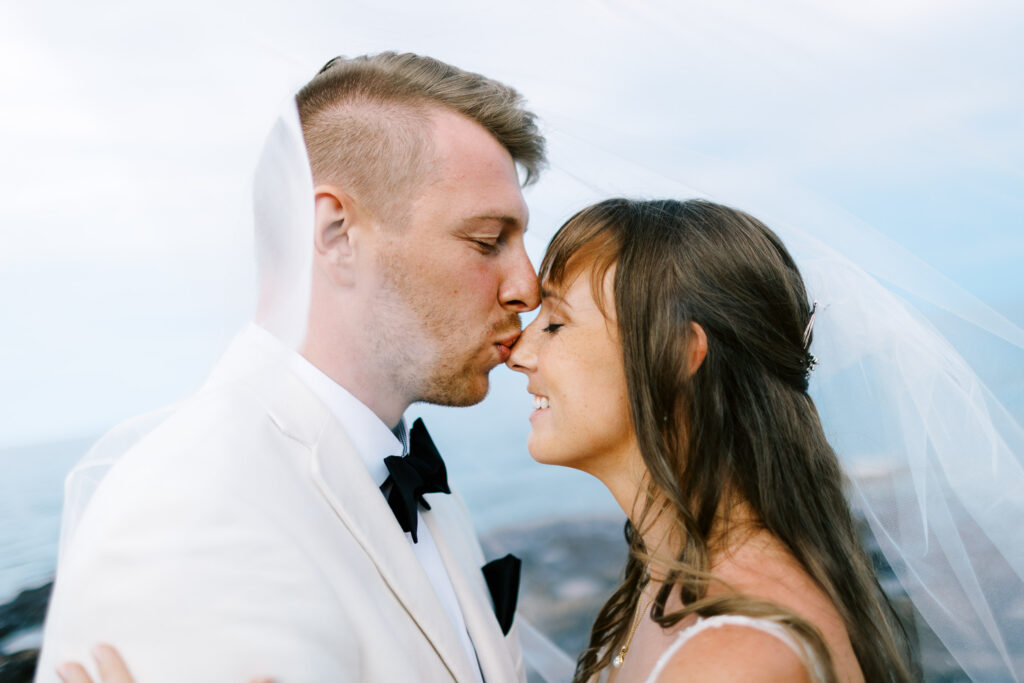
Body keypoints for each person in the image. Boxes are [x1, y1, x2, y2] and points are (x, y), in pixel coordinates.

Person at [38, 52, 546, 683]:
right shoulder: (195, 510)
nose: (528, 286)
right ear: (336, 234)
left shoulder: (411, 481)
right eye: (486, 241)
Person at [506, 198, 914, 682]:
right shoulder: (669, 578)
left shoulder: (734, 659)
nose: (519, 352)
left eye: (555, 324)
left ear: (678, 355)